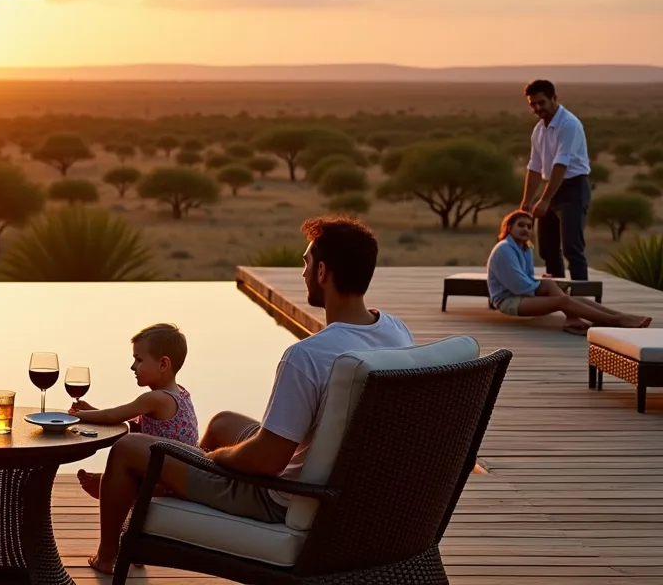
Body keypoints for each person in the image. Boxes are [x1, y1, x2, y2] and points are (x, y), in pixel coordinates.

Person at [85, 216, 414, 575]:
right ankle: (176, 482)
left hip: (275, 496)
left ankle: (107, 555)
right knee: (224, 421)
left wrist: (212, 459)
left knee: (126, 449)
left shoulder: (308, 357)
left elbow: (265, 461)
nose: (302, 272)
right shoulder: (396, 332)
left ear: (322, 272)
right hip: (339, 483)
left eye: (305, 263)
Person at [69, 323, 199, 498]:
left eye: (139, 359)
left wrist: (77, 416)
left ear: (163, 364)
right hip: (180, 475)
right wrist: (92, 411)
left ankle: (111, 485)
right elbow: (118, 416)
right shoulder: (180, 394)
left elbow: (112, 415)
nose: (132, 366)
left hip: (165, 482)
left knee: (120, 464)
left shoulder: (156, 399)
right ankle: (108, 482)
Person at [488, 210, 650, 334]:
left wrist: (543, 283)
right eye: (521, 225)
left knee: (566, 294)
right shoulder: (504, 250)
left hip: (521, 295)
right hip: (509, 301)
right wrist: (541, 286)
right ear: (509, 228)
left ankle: (613, 315)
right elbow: (518, 285)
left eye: (529, 227)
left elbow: (526, 278)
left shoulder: (526, 248)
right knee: (563, 300)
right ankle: (616, 320)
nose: (526, 229)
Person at [520, 79, 592, 280]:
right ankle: (557, 295)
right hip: (552, 187)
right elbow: (534, 167)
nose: (537, 108)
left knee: (572, 247)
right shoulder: (539, 129)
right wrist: (526, 202)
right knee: (548, 249)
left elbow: (561, 165)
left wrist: (544, 200)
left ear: (554, 98)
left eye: (541, 102)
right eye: (532, 104)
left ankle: (580, 300)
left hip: (573, 188)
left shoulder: (569, 124)